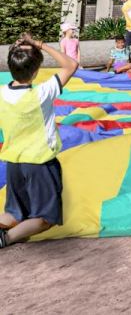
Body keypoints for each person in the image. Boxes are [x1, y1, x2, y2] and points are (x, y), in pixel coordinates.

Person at [0, 33, 78, 248]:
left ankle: (8, 232)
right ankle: (6, 238)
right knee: (46, 218)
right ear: (36, 71)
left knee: (14, 213)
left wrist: (18, 50)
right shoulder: (42, 93)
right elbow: (71, 65)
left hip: (14, 164)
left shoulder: (2, 94)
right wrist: (39, 44)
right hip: (39, 164)